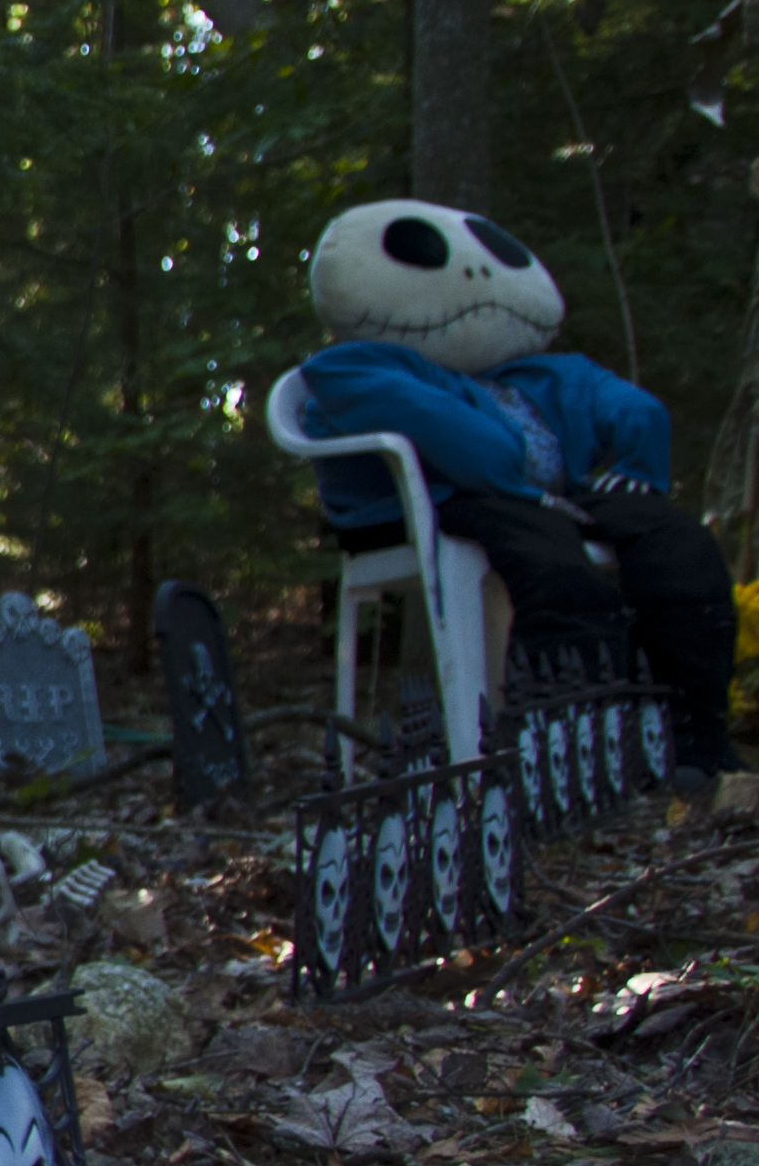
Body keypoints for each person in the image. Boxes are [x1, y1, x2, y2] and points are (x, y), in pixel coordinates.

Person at [293, 198, 742, 782]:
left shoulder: (545, 376)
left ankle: (693, 734)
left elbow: (633, 409)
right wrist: (519, 479)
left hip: (547, 497)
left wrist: (636, 461)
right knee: (548, 562)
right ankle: (563, 746)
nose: (477, 276)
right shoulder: (354, 366)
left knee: (675, 540)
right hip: (432, 500)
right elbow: (477, 450)